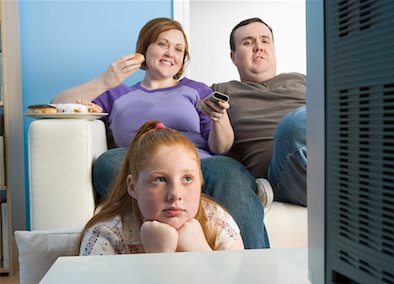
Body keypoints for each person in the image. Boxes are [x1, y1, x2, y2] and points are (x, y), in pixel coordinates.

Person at [53, 17, 269, 249]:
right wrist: (105, 81)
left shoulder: (196, 90)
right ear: (144, 49)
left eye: (178, 49)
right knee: (108, 161)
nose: (170, 53)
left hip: (198, 166)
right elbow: (58, 105)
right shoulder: (117, 94)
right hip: (144, 168)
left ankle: (255, 271)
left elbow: (221, 147)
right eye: (162, 44)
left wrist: (218, 117)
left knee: (227, 168)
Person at [77, 120, 244, 254]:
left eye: (187, 178)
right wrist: (158, 258)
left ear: (200, 183)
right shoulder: (107, 234)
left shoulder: (217, 221)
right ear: (133, 187)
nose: (175, 194)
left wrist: (201, 252)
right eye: (160, 180)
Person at [212, 17, 307, 207]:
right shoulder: (221, 91)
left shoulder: (302, 79)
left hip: (326, 154)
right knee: (293, 125)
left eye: (265, 41)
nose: (259, 47)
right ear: (233, 56)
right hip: (283, 176)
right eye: (248, 42)